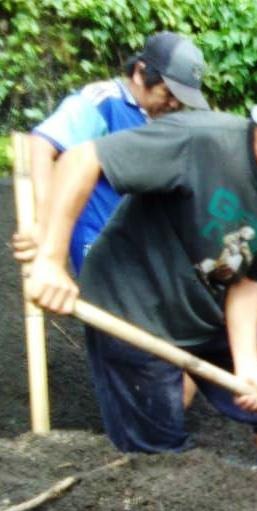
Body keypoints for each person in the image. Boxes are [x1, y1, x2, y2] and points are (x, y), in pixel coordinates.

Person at [25, 87, 257, 502]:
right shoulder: (202, 141)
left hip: (200, 310)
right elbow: (83, 158)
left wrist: (247, 365)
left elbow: (247, 279)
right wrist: (50, 259)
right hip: (131, 308)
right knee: (158, 452)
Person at [12, 31, 208, 408]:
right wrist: (41, 223)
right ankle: (144, 432)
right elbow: (44, 144)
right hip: (104, 250)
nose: (173, 104)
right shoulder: (102, 102)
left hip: (149, 250)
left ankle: (157, 433)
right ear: (139, 72)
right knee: (140, 352)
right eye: (168, 93)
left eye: (180, 99)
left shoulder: (158, 119)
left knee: (184, 347)